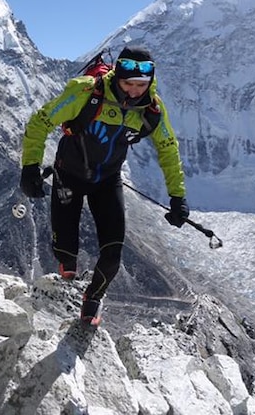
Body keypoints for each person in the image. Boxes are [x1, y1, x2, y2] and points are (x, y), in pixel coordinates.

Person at [20, 46, 189, 325]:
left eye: (141, 85)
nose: (134, 91)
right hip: (68, 174)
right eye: (128, 84)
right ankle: (67, 271)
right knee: (66, 254)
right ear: (117, 78)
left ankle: (93, 298)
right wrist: (30, 168)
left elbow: (168, 149)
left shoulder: (152, 108)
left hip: (107, 181)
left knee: (113, 253)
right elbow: (41, 122)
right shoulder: (87, 92)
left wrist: (177, 197)